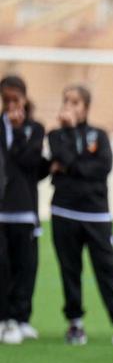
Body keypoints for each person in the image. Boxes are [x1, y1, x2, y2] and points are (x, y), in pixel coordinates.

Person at [47, 84, 113, 345]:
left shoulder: (100, 135)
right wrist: (70, 145)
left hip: (96, 215)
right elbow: (63, 158)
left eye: (76, 102)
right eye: (66, 101)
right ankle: (75, 324)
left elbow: (102, 167)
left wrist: (70, 166)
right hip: (64, 212)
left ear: (86, 107)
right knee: (70, 270)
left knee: (107, 270)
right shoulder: (56, 135)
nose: (70, 107)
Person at [0, 75, 46, 345]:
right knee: (2, 265)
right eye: (6, 99)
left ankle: (20, 317)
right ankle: (5, 319)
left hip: (24, 208)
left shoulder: (35, 129)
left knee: (25, 266)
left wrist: (18, 130)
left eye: (15, 99)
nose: (11, 104)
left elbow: (29, 162)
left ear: (25, 98)